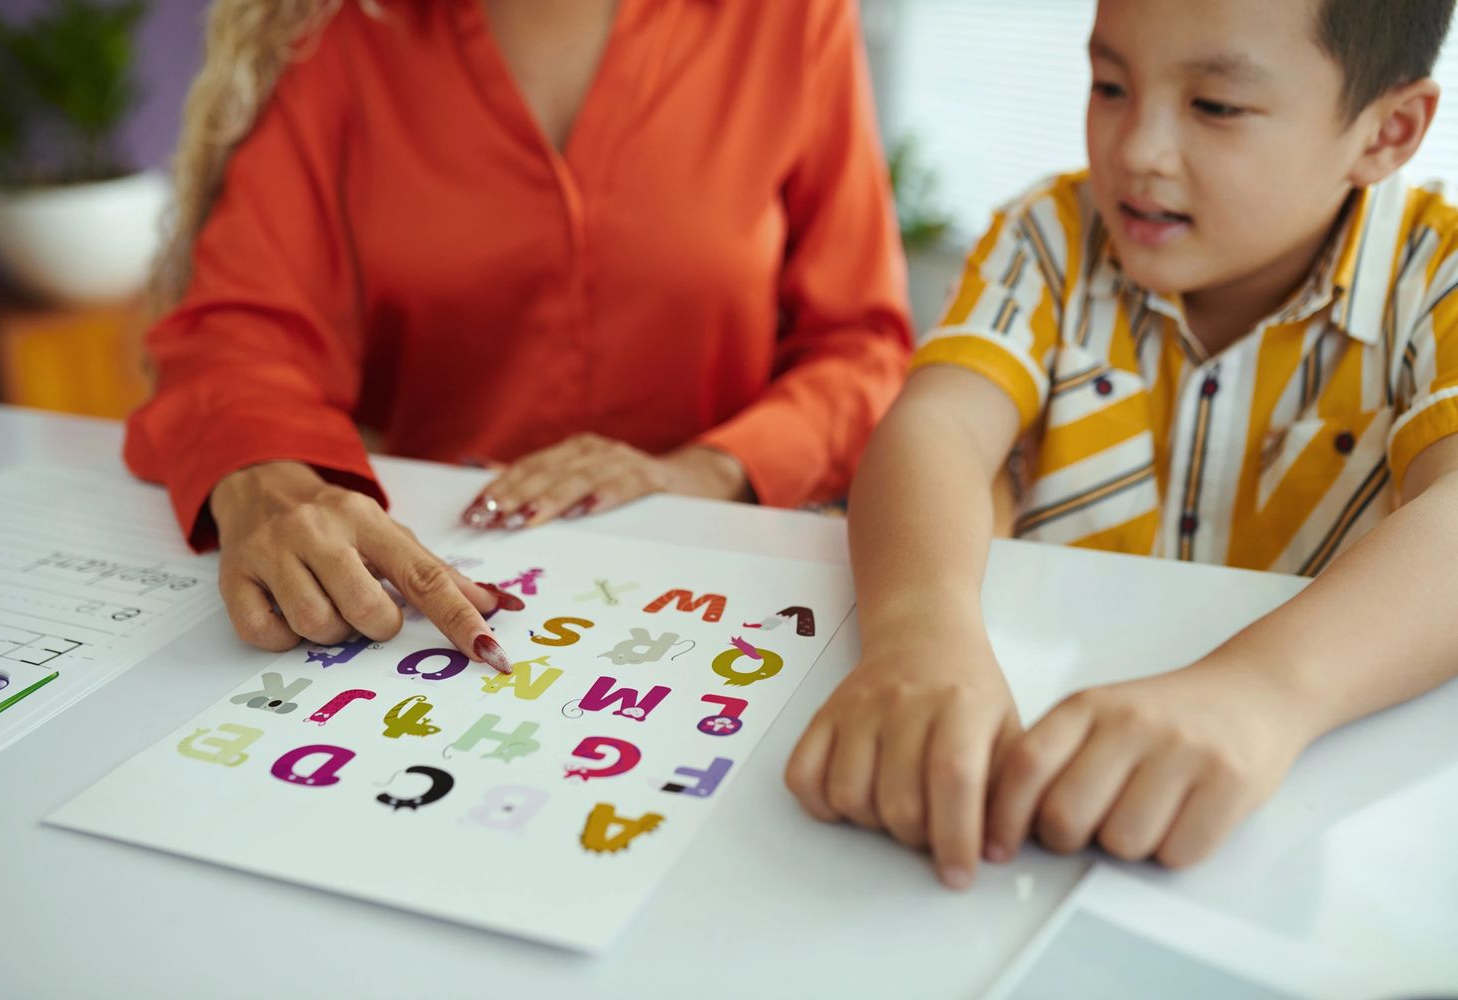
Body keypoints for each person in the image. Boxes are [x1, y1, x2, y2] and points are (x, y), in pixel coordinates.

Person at [787, 0, 1458, 890]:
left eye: (1215, 106)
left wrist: (1261, 694)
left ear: (1388, 130)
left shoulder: (1436, 277)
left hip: (1278, 810)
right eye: (1110, 84)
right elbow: (939, 425)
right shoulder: (1051, 239)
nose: (1135, 147)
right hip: (1024, 783)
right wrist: (918, 633)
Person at [125, 0, 912, 673]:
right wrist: (268, 476)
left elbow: (862, 346)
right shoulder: (342, 29)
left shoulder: (791, 17)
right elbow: (238, 333)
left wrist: (709, 470)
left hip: (722, 598)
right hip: (432, 586)